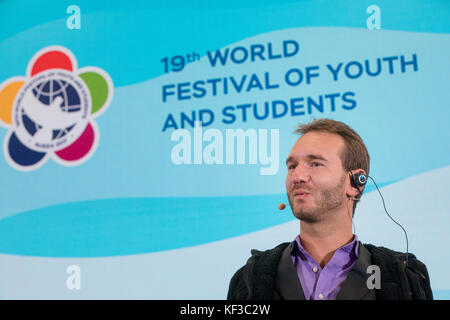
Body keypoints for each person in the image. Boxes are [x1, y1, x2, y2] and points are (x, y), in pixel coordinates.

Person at [227, 118, 432, 300]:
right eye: (291, 166)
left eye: (315, 164)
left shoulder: (404, 277)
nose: (297, 176)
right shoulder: (247, 280)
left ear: (355, 183)